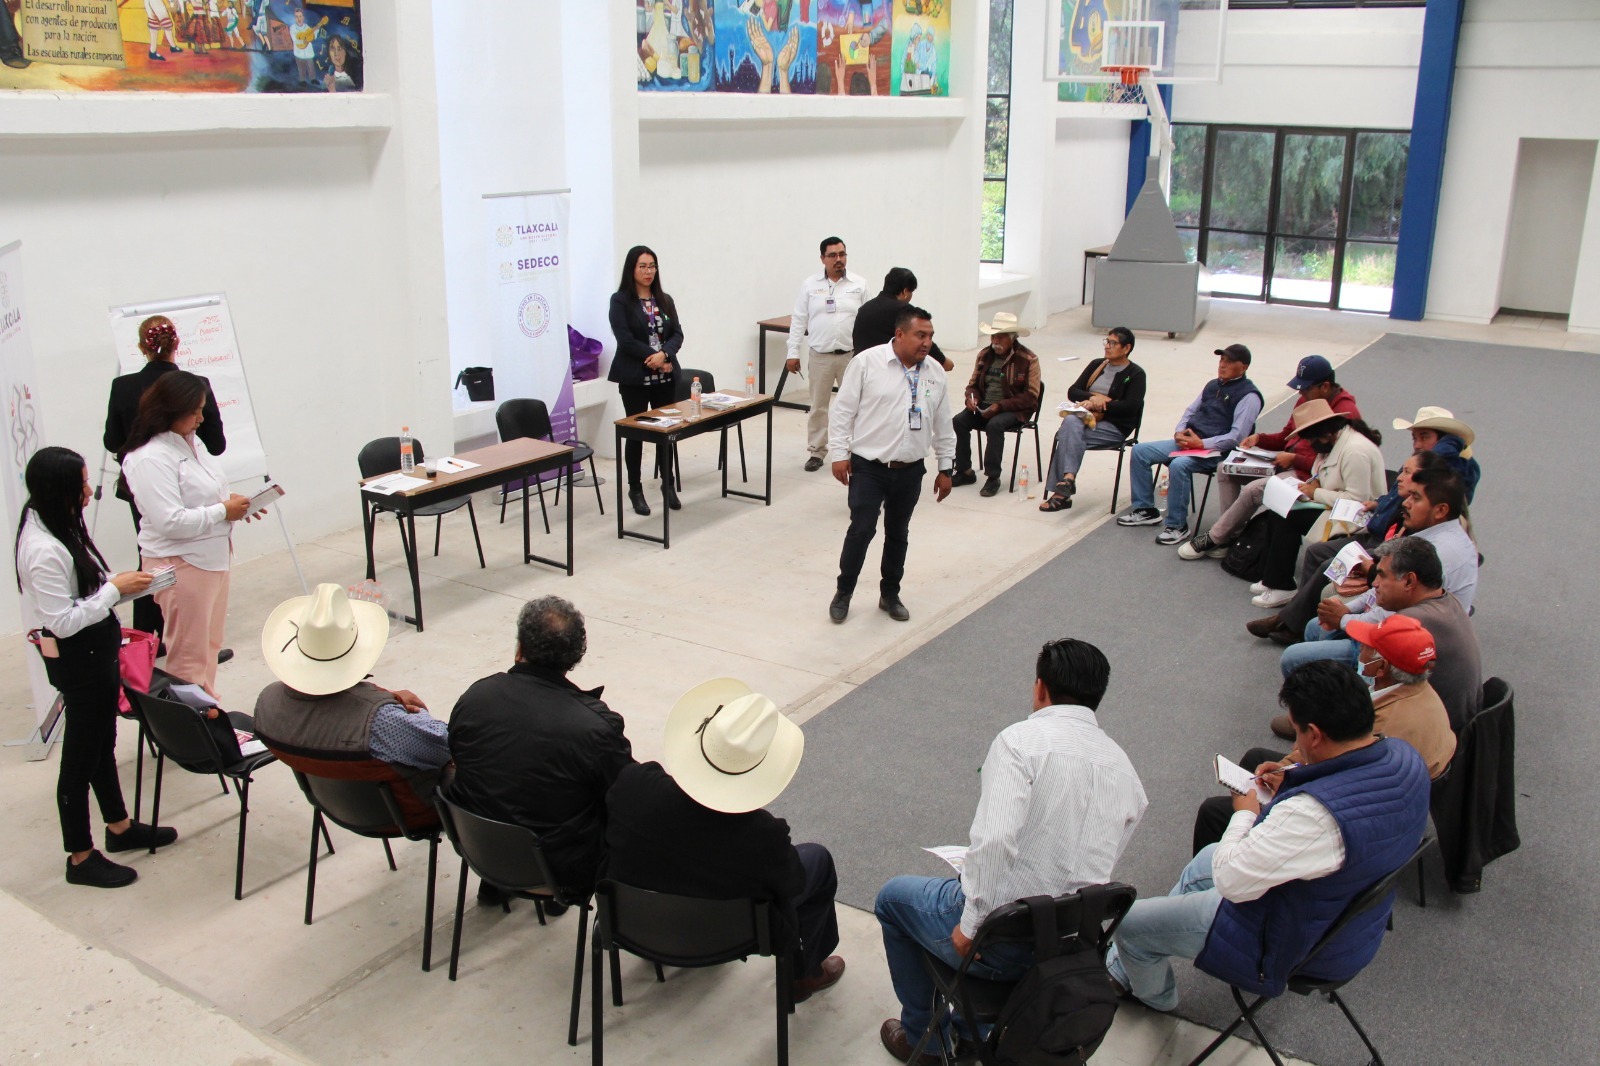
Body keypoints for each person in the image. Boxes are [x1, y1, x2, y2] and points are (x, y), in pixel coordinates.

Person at [874, 639, 1147, 1063]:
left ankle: (927, 1043)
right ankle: (975, 1032)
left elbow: (996, 841)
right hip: (1065, 946)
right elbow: (1102, 867)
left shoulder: (1019, 743)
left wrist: (971, 923)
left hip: (1001, 940)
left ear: (1040, 687)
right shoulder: (1126, 771)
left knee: (892, 899)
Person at [1106, 661, 1430, 1013]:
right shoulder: (1405, 758)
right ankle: (1126, 963)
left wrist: (1245, 811)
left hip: (1289, 940)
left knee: (1129, 924)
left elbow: (1230, 881)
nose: (1295, 742)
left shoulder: (1313, 817)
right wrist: (1296, 775)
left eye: (1297, 733)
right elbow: (1351, 795)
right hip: (1347, 918)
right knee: (1207, 859)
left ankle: (1155, 999)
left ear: (1314, 734)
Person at [604, 680, 846, 1007]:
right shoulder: (763, 837)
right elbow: (791, 885)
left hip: (635, 925)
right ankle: (804, 974)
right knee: (817, 860)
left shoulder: (633, 785)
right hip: (730, 939)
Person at [14, 447, 178, 889]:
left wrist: (117, 586)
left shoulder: (58, 522)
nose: (89, 491)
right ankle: (80, 856)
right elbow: (62, 621)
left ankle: (119, 827)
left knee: (102, 744)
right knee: (79, 761)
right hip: (79, 662)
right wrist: (112, 591)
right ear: (59, 491)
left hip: (96, 655)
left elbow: (81, 593)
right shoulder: (42, 549)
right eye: (81, 485)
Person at [1192, 614, 1456, 853]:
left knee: (1213, 812)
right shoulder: (1415, 691)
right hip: (1385, 800)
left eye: (1365, 646)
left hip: (1357, 822)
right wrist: (1286, 769)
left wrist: (1284, 784)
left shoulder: (1386, 725)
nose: (1360, 650)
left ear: (1382, 666)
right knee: (1256, 759)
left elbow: (1337, 774)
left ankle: (1230, 864)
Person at [447, 596, 634, 904]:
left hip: (477, 848)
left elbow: (459, 759)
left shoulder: (476, 697)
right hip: (557, 872)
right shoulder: (594, 728)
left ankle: (494, 886)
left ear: (519, 648)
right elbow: (623, 801)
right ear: (575, 657)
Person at [1271, 466, 1478, 682]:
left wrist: (1343, 619)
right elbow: (1385, 587)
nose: (1405, 503)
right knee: (1314, 627)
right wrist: (1347, 610)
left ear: (1440, 510)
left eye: (1416, 498)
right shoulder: (1433, 537)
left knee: (1292, 658)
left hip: (1405, 653)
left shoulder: (1438, 553)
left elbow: (1390, 616)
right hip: (1395, 628)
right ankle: (1330, 689)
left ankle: (1342, 694)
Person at [120, 371, 257, 696]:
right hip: (181, 564)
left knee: (208, 645)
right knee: (188, 656)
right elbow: (170, 521)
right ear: (170, 410)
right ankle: (192, 719)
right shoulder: (149, 458)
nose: (201, 419)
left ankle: (206, 710)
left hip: (210, 560)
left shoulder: (190, 444)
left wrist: (234, 502)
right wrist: (223, 511)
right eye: (194, 411)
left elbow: (202, 494)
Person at [254, 583, 451, 808]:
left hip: (332, 806)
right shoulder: (382, 722)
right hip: (409, 813)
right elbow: (449, 747)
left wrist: (382, 697)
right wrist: (406, 713)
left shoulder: (267, 703)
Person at [1275, 533, 1482, 736]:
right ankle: (1314, 713)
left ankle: (1318, 724)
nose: (1374, 583)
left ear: (1409, 581)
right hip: (1441, 709)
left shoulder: (1411, 621)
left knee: (1293, 658)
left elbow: (1377, 671)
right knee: (1317, 628)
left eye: (1382, 575)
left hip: (1429, 724)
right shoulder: (1443, 599)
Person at [1247, 447, 1457, 645]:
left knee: (1328, 565)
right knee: (1315, 552)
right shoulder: (1404, 497)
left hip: (1381, 548)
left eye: (1408, 473)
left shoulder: (1422, 521)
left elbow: (1399, 566)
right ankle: (1296, 616)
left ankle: (1293, 620)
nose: (1401, 477)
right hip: (1373, 537)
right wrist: (1377, 504)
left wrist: (1370, 571)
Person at [104, 315, 226, 646]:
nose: (196, 419)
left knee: (151, 554)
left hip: (141, 489)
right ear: (177, 344)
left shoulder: (123, 387)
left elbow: (112, 441)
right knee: (178, 555)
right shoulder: (196, 384)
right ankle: (183, 638)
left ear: (141, 347)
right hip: (183, 489)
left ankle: (147, 639)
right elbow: (217, 444)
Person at [827, 305, 954, 624]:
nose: (927, 343)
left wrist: (946, 468)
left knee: (898, 532)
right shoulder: (866, 363)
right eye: (920, 335)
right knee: (861, 529)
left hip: (910, 469)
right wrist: (839, 454)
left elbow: (943, 423)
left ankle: (890, 594)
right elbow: (843, 411)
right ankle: (844, 592)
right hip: (869, 467)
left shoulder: (935, 372)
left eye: (930, 336)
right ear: (899, 334)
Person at [1180, 354, 1361, 559]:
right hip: (1287, 463)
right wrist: (1260, 439)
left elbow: (1334, 467)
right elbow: (1286, 437)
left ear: (1325, 386)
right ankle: (1231, 534)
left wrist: (1294, 459)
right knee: (1225, 469)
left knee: (1254, 490)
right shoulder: (1306, 400)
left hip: (1311, 477)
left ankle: (1216, 537)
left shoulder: (1345, 413)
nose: (1301, 393)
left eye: (1306, 388)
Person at [1243, 400, 1386, 610]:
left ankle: (1282, 585)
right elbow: (1326, 475)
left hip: (1354, 519)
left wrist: (1315, 492)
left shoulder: (1355, 451)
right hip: (1333, 508)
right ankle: (1273, 577)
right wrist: (1315, 485)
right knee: (1278, 509)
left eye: (1311, 440)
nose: (1310, 445)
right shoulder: (1335, 443)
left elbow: (1357, 500)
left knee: (1287, 517)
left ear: (1326, 435)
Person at [1117, 343, 1263, 545]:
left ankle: (1177, 526)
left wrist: (1201, 443)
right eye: (1221, 360)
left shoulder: (1249, 396)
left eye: (1229, 361)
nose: (1222, 365)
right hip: (1190, 443)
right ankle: (1146, 510)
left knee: (1179, 465)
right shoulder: (1213, 385)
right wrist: (1179, 432)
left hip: (1217, 451)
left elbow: (1236, 437)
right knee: (1141, 451)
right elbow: (1190, 411)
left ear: (1244, 367)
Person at [608, 245, 683, 516]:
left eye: (652, 266)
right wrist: (655, 357)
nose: (648, 271)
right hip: (634, 378)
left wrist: (665, 355)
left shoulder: (664, 300)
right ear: (632, 269)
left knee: (666, 432)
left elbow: (677, 334)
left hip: (665, 377)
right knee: (636, 434)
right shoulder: (620, 301)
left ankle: (668, 484)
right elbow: (625, 339)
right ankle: (635, 488)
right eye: (643, 266)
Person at [1038, 326, 1146, 513]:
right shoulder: (1097, 365)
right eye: (1106, 341)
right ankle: (1068, 480)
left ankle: (1061, 494)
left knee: (1068, 434)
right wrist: (1093, 397)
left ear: (1126, 348)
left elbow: (1131, 407)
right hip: (1086, 421)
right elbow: (1073, 391)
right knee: (1070, 424)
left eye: (1113, 343)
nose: (1107, 346)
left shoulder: (1135, 374)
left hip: (1114, 427)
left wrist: (1102, 405)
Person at [789, 236, 868, 472]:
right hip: (820, 356)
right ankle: (816, 451)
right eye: (832, 255)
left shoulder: (859, 284)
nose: (838, 259)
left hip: (851, 357)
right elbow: (799, 319)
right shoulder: (810, 285)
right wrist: (792, 352)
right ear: (822, 258)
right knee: (818, 407)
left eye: (842, 254)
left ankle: (854, 450)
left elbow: (868, 319)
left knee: (855, 406)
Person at [950, 313, 1040, 497]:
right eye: (993, 336)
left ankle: (993, 477)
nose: (995, 341)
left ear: (1012, 338)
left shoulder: (1028, 359)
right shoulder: (984, 355)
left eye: (1000, 337)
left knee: (995, 425)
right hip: (985, 405)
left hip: (1015, 409)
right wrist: (971, 398)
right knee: (959, 421)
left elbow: (1031, 397)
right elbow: (973, 385)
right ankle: (964, 471)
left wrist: (1001, 406)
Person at [852, 267, 954, 372]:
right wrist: (943, 361)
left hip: (860, 368)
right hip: (885, 371)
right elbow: (921, 339)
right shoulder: (905, 312)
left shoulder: (864, 309)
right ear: (905, 291)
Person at [1393, 406, 1480, 502]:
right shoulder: (1414, 464)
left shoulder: (1460, 468)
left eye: (1424, 438)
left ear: (1444, 441)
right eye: (1414, 438)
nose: (1417, 445)